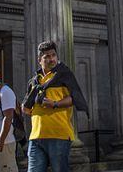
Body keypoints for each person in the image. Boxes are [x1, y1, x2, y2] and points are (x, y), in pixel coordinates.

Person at [22, 41, 89, 172]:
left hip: (59, 135)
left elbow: (75, 97)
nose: (51, 59)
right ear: (39, 60)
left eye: (53, 55)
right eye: (47, 56)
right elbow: (26, 107)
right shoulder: (34, 81)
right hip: (36, 137)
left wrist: (55, 104)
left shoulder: (64, 75)